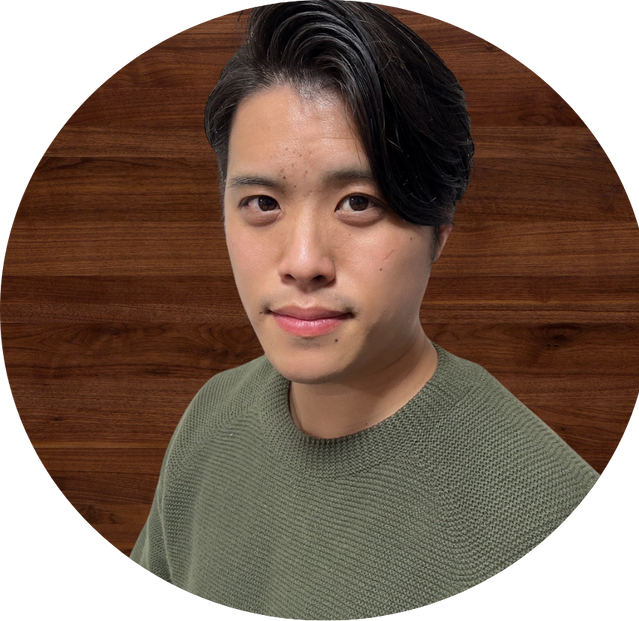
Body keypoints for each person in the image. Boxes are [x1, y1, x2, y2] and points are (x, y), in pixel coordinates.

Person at [129, 2, 601, 617]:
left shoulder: (544, 509)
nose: (303, 261)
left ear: (438, 228)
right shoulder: (213, 417)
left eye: (358, 203)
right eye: (263, 203)